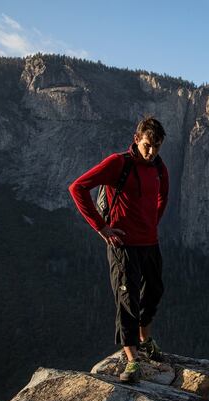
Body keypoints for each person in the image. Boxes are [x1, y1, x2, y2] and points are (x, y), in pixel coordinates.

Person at [68, 116, 170, 383]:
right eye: (148, 145)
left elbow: (163, 196)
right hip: (122, 245)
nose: (152, 152)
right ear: (137, 139)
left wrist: (151, 223)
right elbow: (77, 187)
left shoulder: (159, 167)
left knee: (155, 291)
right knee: (127, 300)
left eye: (157, 147)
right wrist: (101, 227)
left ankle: (144, 337)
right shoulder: (118, 163)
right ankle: (132, 359)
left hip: (150, 243)